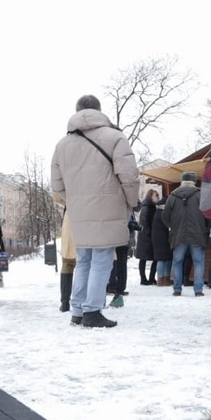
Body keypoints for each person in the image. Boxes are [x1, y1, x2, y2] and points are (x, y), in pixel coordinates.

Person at [51, 94, 139, 328]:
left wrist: (76, 201)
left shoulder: (62, 144)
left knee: (83, 260)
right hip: (109, 207)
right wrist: (130, 203)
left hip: (78, 213)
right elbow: (129, 176)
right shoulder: (115, 137)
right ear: (99, 111)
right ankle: (92, 311)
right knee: (101, 260)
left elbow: (57, 186)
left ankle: (78, 310)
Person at [161, 170, 207, 297]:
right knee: (198, 261)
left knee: (177, 262)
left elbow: (165, 216)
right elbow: (209, 214)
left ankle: (177, 289)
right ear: (193, 181)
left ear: (182, 181)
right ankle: (198, 290)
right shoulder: (201, 195)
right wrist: (204, 228)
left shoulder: (172, 196)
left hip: (178, 235)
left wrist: (172, 227)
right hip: (197, 234)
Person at [136, 191, 159, 285]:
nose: (158, 197)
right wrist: (150, 233)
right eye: (156, 195)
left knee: (146, 258)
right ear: (151, 196)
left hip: (146, 235)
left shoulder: (150, 206)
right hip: (146, 237)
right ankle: (145, 279)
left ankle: (149, 278)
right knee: (145, 258)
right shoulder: (147, 207)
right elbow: (144, 221)